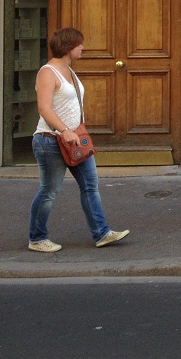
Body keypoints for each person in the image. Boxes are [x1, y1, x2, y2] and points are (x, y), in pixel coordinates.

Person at [28, 28, 130, 252]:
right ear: (68, 47)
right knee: (49, 191)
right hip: (49, 141)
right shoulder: (48, 73)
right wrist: (64, 130)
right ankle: (37, 238)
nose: (82, 48)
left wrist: (75, 130)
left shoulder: (69, 71)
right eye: (79, 44)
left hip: (75, 141)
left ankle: (102, 233)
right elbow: (44, 108)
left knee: (90, 185)